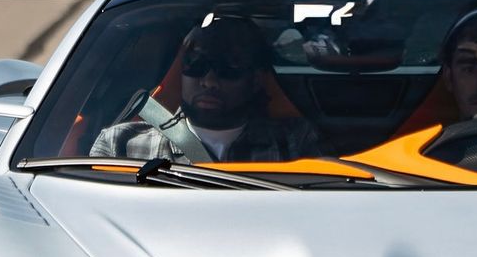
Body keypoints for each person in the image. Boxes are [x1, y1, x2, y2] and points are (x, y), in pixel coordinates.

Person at [90, 13, 313, 163]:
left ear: (255, 81)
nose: (209, 81)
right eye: (196, 65)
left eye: (229, 68)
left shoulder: (294, 146)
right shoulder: (120, 145)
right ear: (181, 72)